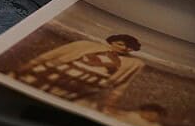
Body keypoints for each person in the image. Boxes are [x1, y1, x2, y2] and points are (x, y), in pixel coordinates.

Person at [10, 34, 143, 107]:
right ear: (112, 42)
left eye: (130, 48)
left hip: (81, 86)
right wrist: (27, 67)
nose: (124, 49)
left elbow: (122, 84)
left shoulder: (135, 63)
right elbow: (51, 55)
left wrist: (110, 102)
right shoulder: (86, 45)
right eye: (120, 44)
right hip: (53, 73)